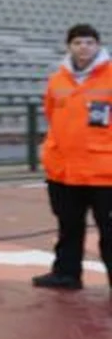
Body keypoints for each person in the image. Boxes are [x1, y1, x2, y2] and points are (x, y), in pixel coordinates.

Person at [34, 23, 112, 292]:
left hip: (104, 171)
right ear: (69, 46)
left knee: (110, 231)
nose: (83, 48)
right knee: (68, 226)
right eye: (78, 42)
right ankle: (66, 274)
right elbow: (50, 114)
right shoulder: (58, 79)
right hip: (64, 170)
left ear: (98, 45)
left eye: (89, 42)